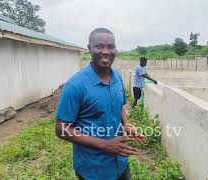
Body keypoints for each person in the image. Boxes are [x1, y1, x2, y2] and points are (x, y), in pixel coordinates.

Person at [55, 28, 146, 180]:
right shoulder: (76, 85)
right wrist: (105, 144)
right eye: (99, 46)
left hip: (121, 164)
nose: (106, 52)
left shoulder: (117, 77)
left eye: (111, 47)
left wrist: (126, 125)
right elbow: (61, 129)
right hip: (93, 171)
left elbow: (120, 107)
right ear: (89, 48)